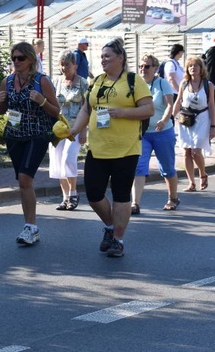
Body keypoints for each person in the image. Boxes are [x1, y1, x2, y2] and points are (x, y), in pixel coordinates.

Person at [68, 38, 153, 257]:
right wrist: (75, 130)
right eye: (102, 56)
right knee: (94, 193)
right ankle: (110, 227)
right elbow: (87, 110)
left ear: (120, 58)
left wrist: (123, 112)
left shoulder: (134, 81)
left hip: (126, 148)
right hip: (98, 148)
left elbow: (148, 109)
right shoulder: (97, 81)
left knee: (121, 195)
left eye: (108, 56)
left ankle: (118, 240)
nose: (103, 60)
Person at [0, 41, 60, 246]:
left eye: (20, 58)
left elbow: (56, 111)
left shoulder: (42, 81)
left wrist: (42, 101)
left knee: (24, 179)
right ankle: (30, 226)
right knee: (23, 183)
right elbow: (1, 110)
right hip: (14, 135)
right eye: (13, 58)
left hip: (36, 135)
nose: (16, 62)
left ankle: (31, 227)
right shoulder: (8, 81)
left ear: (31, 59)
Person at [131, 54, 178, 213]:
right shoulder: (136, 84)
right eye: (141, 66)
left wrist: (164, 120)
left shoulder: (162, 83)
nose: (143, 69)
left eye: (147, 66)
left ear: (155, 68)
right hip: (143, 133)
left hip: (163, 132)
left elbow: (170, 105)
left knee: (167, 168)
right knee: (138, 167)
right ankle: (135, 203)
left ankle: (173, 198)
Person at [48, 50, 87, 211]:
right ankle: (65, 198)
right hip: (58, 129)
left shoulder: (83, 83)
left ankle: (73, 193)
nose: (64, 68)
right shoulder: (56, 82)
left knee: (68, 159)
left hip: (75, 129)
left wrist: (84, 130)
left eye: (67, 65)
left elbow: (88, 107)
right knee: (57, 163)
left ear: (75, 65)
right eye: (62, 65)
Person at [173, 56, 215, 192]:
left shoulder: (208, 85)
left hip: (202, 118)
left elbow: (212, 106)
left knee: (197, 151)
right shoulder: (184, 84)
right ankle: (191, 183)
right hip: (186, 119)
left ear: (201, 68)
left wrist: (213, 126)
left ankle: (203, 174)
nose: (193, 68)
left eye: (196, 65)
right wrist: (170, 118)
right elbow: (178, 101)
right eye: (190, 66)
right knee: (186, 151)